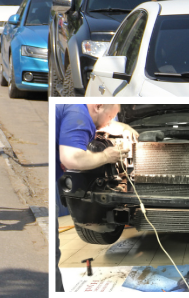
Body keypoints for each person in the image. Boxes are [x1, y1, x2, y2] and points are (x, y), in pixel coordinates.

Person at [54, 104, 127, 292]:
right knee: (53, 253)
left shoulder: (83, 112)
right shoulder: (78, 114)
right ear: (98, 106)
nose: (110, 122)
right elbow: (72, 158)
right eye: (110, 116)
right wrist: (106, 156)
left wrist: (126, 128)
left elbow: (107, 124)